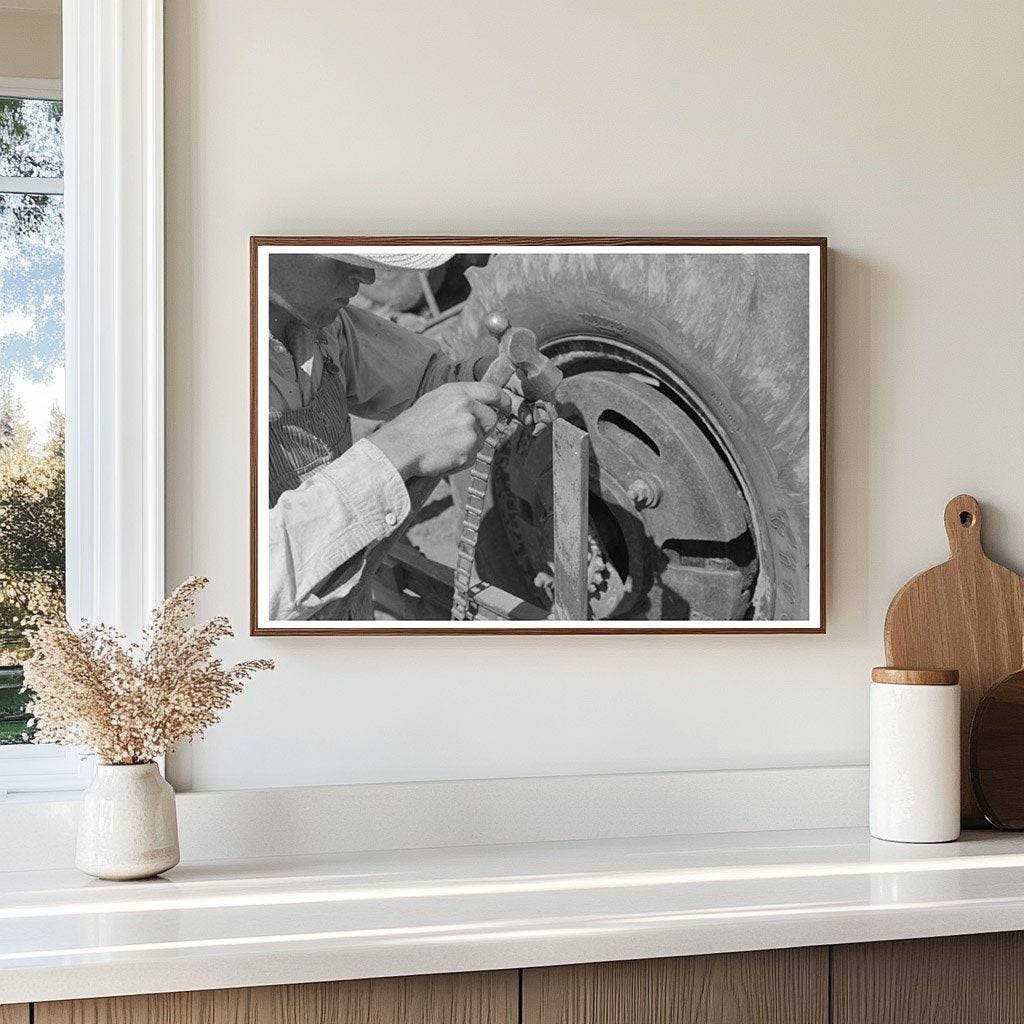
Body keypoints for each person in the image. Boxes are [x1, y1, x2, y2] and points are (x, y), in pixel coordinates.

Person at [267, 251, 514, 622]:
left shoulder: (319, 329)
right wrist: (397, 449)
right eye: (339, 255)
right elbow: (233, 589)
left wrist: (481, 376)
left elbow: (427, 377)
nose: (367, 276)